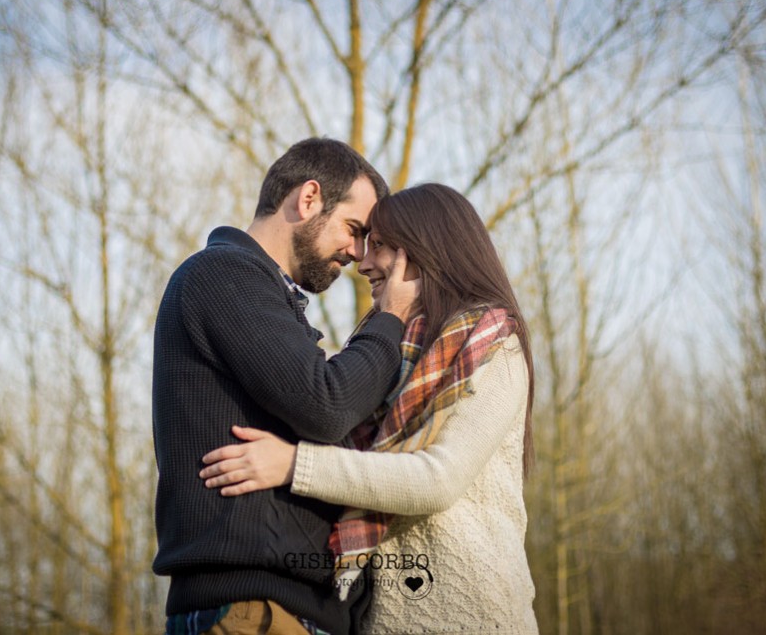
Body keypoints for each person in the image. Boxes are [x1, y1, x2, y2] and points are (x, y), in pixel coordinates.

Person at [199, 183, 539, 634]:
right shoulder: (386, 351)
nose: (363, 263)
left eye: (378, 245)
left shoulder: (495, 347)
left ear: (423, 250)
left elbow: (438, 480)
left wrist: (293, 465)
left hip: (473, 615)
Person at [151, 137, 420, 635]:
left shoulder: (265, 296)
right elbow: (328, 403)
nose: (357, 254)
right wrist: (392, 318)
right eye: (354, 229)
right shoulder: (223, 274)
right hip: (251, 610)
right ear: (309, 197)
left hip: (281, 611)